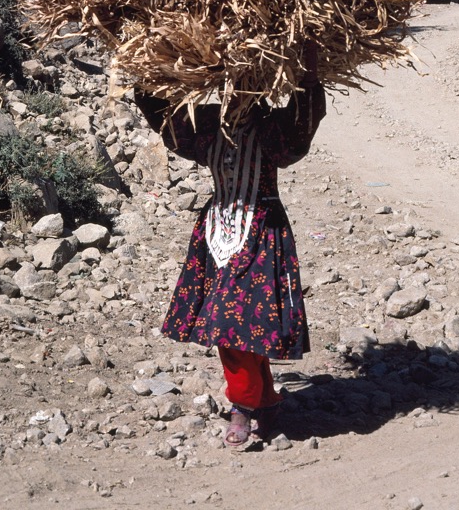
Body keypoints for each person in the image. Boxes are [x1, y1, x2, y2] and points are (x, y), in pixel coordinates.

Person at [135, 46, 326, 449]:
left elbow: (303, 125)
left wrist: (310, 73)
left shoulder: (274, 129)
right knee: (237, 324)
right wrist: (145, 68)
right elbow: (166, 122)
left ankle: (242, 406)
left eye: (248, 84)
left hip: (262, 232)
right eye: (232, 84)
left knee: (234, 323)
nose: (238, 92)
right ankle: (266, 400)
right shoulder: (208, 127)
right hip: (216, 231)